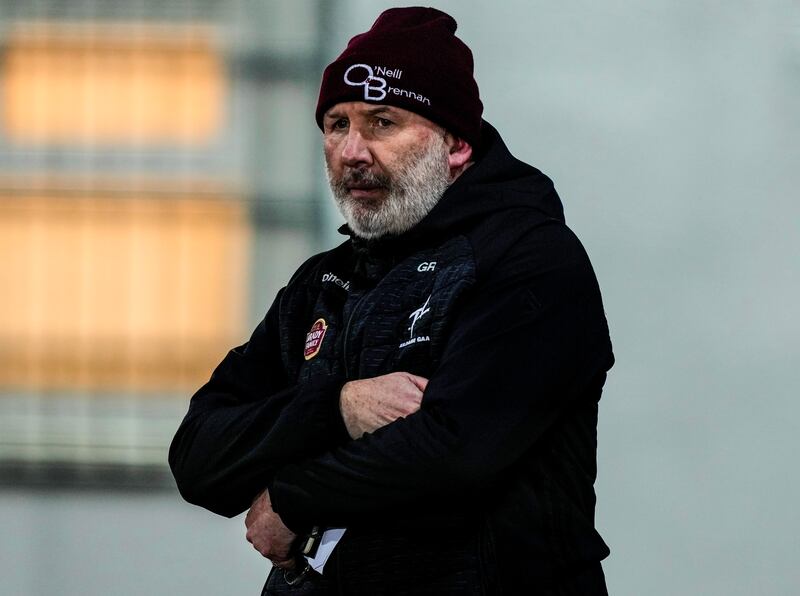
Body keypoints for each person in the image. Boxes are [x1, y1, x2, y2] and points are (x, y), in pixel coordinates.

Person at [169, 7, 614, 595]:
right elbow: (199, 455)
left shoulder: (529, 260)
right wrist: (337, 409)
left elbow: (455, 451)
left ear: (455, 145)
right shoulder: (322, 284)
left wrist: (290, 499)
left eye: (383, 122)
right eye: (336, 124)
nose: (353, 151)